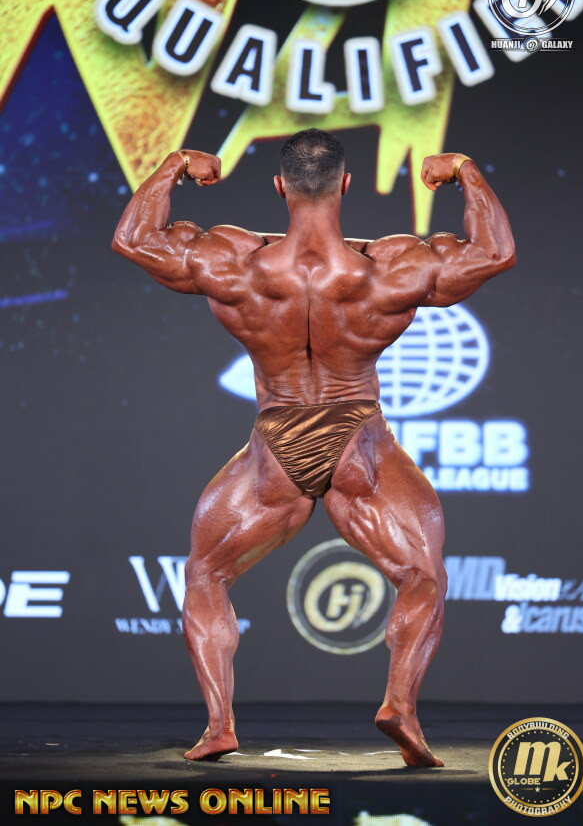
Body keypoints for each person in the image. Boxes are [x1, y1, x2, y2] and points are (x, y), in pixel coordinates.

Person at [112, 129, 515, 767]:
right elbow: (493, 252)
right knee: (422, 575)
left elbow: (135, 239)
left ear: (279, 187)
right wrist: (464, 169)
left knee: (205, 574)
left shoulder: (235, 263)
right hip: (359, 441)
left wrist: (176, 165)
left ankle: (218, 725)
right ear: (346, 185)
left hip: (276, 442)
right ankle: (401, 707)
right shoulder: (388, 267)